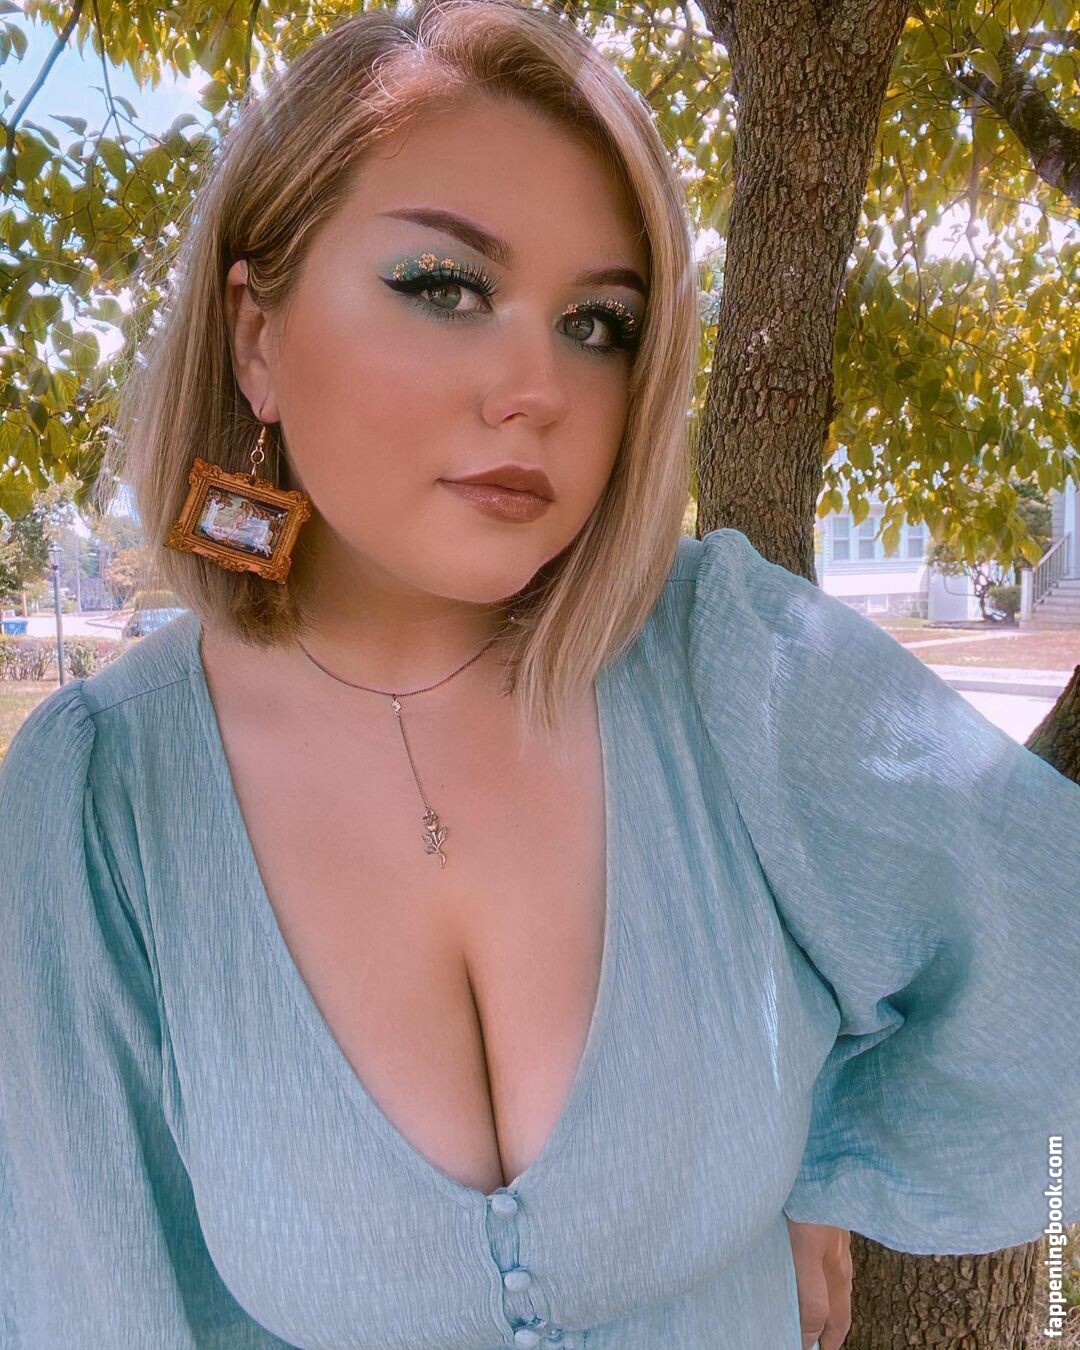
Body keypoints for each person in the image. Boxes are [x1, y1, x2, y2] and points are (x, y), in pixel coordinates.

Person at [1, 0, 1076, 1346]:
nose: (539, 386)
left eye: (598, 323)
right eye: (444, 287)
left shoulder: (728, 667)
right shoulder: (100, 802)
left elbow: (1047, 960)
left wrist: (822, 1149)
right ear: (257, 335)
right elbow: (91, 1292)